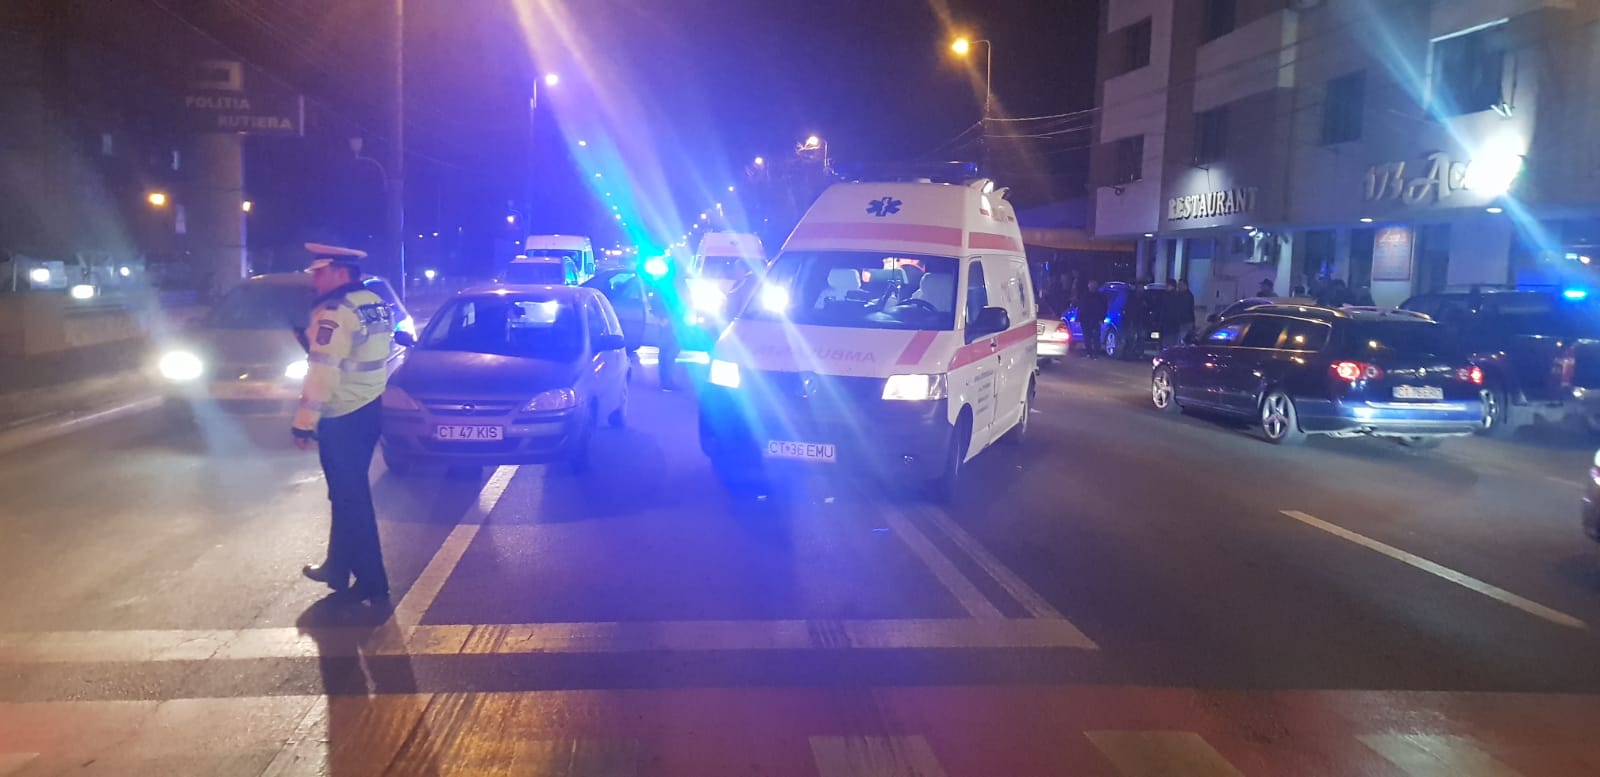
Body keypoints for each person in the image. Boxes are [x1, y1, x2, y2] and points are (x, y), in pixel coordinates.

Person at [294, 243, 396, 603]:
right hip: (369, 407)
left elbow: (323, 371)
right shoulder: (373, 301)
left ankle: (372, 581)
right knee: (345, 494)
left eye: (320, 272)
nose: (315, 280)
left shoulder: (335, 311)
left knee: (351, 499)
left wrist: (304, 422)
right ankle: (337, 567)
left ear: (340, 272)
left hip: (342, 414)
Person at [1078, 280, 1107, 358]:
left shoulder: (1100, 297)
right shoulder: (1085, 296)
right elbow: (1081, 307)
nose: (1092, 288)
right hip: (1086, 319)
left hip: (1094, 319)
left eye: (1093, 286)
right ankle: (1090, 353)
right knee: (1088, 337)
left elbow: (1104, 308)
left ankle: (1095, 353)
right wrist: (1079, 318)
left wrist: (1102, 318)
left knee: (1095, 337)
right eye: (1091, 286)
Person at [1166, 279, 1197, 349]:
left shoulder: (1187, 296)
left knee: (1182, 340)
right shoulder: (1179, 295)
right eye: (1179, 285)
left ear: (1185, 286)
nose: (1179, 287)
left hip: (1185, 322)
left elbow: (1187, 310)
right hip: (1181, 322)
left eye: (1181, 285)